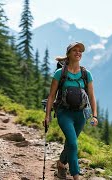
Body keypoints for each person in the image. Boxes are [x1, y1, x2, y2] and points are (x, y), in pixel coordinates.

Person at [43, 42, 98, 180]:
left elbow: (91, 96)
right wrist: (47, 115)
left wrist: (95, 115)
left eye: (80, 51)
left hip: (81, 115)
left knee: (70, 143)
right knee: (73, 144)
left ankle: (61, 164)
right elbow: (51, 96)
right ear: (69, 53)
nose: (78, 53)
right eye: (75, 50)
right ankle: (76, 176)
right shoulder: (59, 73)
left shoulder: (86, 74)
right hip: (64, 113)